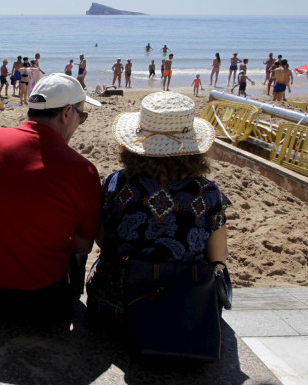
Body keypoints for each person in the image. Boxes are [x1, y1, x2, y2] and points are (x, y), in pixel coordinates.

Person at [0, 73, 101, 324]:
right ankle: (74, 299)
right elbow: (82, 246)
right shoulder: (83, 170)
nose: (80, 123)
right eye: (82, 116)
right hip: (43, 304)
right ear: (66, 113)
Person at [86, 91, 230, 323]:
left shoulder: (116, 182)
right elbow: (219, 255)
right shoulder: (208, 193)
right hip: (182, 308)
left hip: (116, 303)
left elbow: (102, 240)